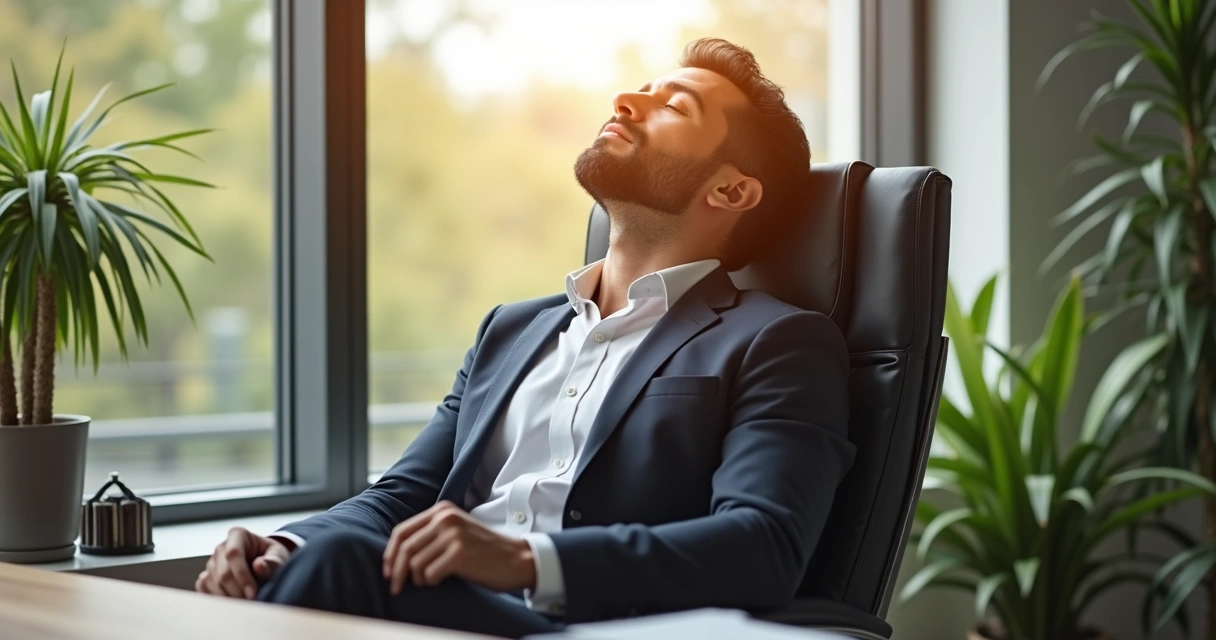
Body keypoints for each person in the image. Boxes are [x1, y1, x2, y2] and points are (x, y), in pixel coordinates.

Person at [194, 37, 855, 639]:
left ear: (731, 190)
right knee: (310, 563)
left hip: (592, 625)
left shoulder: (779, 341)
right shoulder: (509, 331)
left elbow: (763, 545)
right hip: (442, 614)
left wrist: (527, 560)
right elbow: (401, 498)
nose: (626, 100)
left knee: (336, 568)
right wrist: (283, 544)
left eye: (674, 106)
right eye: (643, 90)